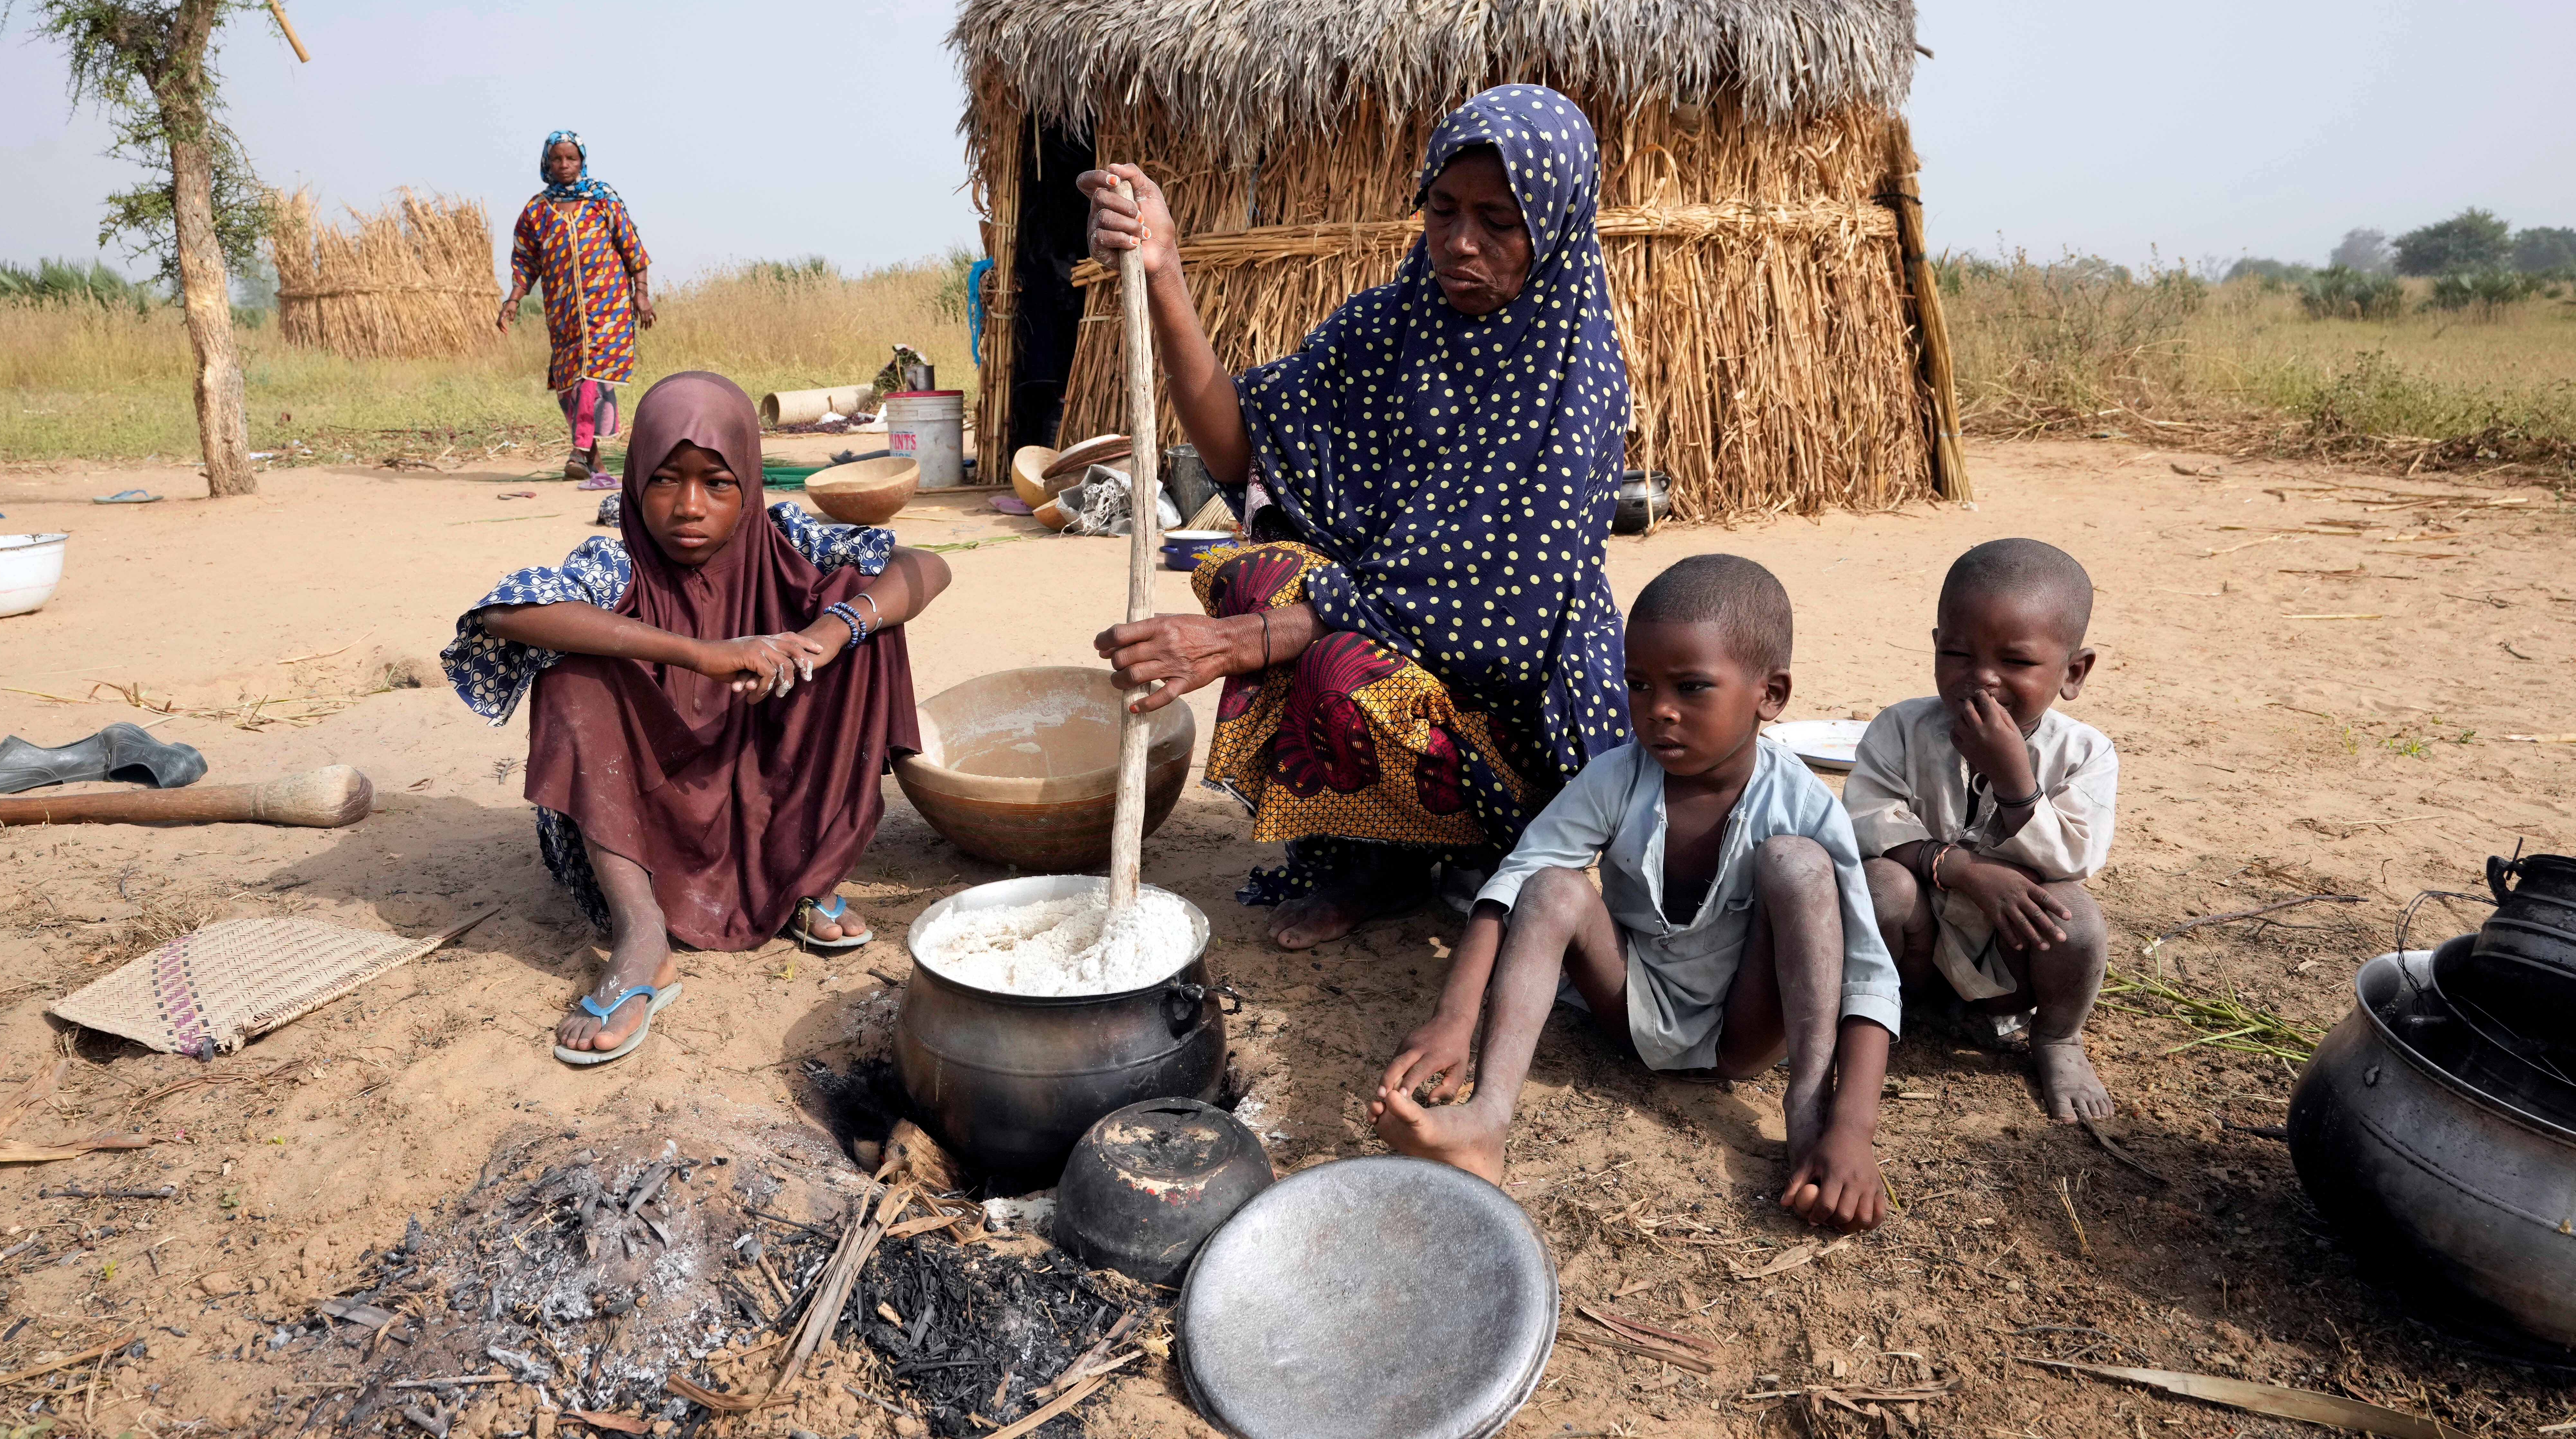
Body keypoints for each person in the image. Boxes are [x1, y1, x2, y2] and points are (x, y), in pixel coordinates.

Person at [1086, 85, 1632, 951]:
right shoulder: (1389, 326)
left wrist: (1236, 645)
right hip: (1384, 625)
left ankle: (1445, 852)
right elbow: (1238, 449)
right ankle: (1373, 845)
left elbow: (1500, 624)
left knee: (1337, 671)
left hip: (1508, 698)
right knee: (1254, 574)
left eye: (1498, 221)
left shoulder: (1573, 382)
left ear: (1555, 226)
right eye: (1443, 210)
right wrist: (1167, 274)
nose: (1460, 242)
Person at [1368, 556, 1899, 1231]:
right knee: (1552, 888)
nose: (1660, 712)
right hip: (1632, 1010)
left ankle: (1809, 1125)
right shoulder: (1617, 776)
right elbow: (1513, 880)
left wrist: (1853, 1127)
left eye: (1692, 687)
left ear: (1771, 695)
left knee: (1798, 866)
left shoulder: (1799, 801)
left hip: (1748, 1032)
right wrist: (1454, 1017)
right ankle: (1486, 1121)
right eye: (1639, 685)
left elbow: (1867, 972)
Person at [442, 372, 951, 1065]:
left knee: (869, 628)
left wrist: (830, 633)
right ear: (634, 483)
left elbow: (925, 567)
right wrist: (702, 654)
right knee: (571, 664)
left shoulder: (787, 543)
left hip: (765, 791)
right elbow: (507, 612)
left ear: (747, 482)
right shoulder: (616, 558)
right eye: (663, 481)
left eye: (717, 483)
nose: (689, 507)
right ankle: (641, 934)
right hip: (649, 815)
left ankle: (803, 876)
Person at [1850, 538, 2116, 1122]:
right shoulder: (1900, 729)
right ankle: (1878, 1009)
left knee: (2078, 923)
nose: (1983, 680)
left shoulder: (2083, 753)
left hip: (2012, 965)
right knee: (1878, 886)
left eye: (2016, 662)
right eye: (1958, 654)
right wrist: (1962, 870)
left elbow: (2076, 858)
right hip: (1916, 954)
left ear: (2074, 672)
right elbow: (1866, 822)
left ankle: (2056, 1038)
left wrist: (2014, 778)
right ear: (1936, 646)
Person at [501, 130, 657, 480]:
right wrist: (513, 300)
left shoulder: (602, 200)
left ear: (582, 161)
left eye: (571, 158)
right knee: (571, 383)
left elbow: (632, 248)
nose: (565, 165)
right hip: (564, 313)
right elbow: (525, 261)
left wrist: (641, 293)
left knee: (593, 376)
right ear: (547, 163)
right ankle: (594, 463)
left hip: (608, 306)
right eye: (557, 159)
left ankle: (578, 449)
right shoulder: (537, 210)